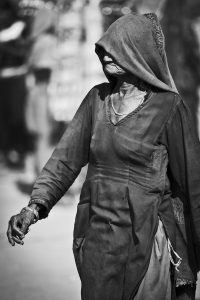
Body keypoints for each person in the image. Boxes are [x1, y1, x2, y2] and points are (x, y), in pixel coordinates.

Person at [7, 13, 200, 300]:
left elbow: (192, 182)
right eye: (105, 49)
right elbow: (65, 160)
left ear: (137, 53)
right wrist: (34, 207)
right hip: (97, 238)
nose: (107, 54)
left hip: (145, 240)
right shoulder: (96, 100)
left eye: (117, 48)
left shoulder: (168, 107)